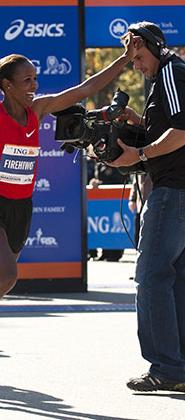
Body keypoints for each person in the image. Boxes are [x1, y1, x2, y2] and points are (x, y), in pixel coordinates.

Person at [0, 13, 136, 398]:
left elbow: (84, 89)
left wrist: (124, 60)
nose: (35, 84)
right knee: (8, 275)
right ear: (7, 86)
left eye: (35, 78)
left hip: (21, 208)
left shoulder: (40, 110)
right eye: (28, 80)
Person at [107, 21, 185, 393]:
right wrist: (140, 122)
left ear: (155, 47)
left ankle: (166, 368)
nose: (136, 65)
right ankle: (177, 366)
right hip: (177, 191)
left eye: (138, 56)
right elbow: (171, 128)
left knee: (151, 277)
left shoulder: (171, 73)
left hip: (172, 192)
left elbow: (182, 132)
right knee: (175, 281)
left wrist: (138, 152)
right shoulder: (168, 77)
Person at [128, 173, 152, 247]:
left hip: (152, 204)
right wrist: (132, 199)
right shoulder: (139, 167)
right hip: (140, 204)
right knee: (137, 233)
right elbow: (135, 183)